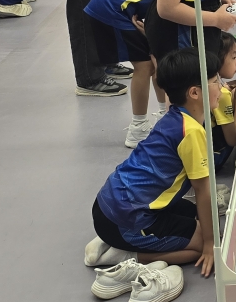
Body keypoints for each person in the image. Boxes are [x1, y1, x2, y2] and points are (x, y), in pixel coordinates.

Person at [87, 48, 221, 289]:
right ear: (194, 93)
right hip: (125, 220)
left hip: (108, 206)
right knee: (202, 244)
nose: (222, 87)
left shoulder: (175, 116)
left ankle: (117, 240)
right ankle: (122, 255)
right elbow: (203, 191)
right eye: (216, 81)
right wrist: (211, 245)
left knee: (194, 215)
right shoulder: (191, 132)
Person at [83, 0, 164, 148]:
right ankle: (138, 127)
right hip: (112, 6)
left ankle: (164, 115)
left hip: (121, 4)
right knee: (146, 64)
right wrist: (151, 34)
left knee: (157, 59)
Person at [211, 32, 236, 171]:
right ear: (217, 59)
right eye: (233, 57)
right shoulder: (221, 94)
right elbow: (233, 139)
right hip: (214, 160)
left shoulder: (210, 85)